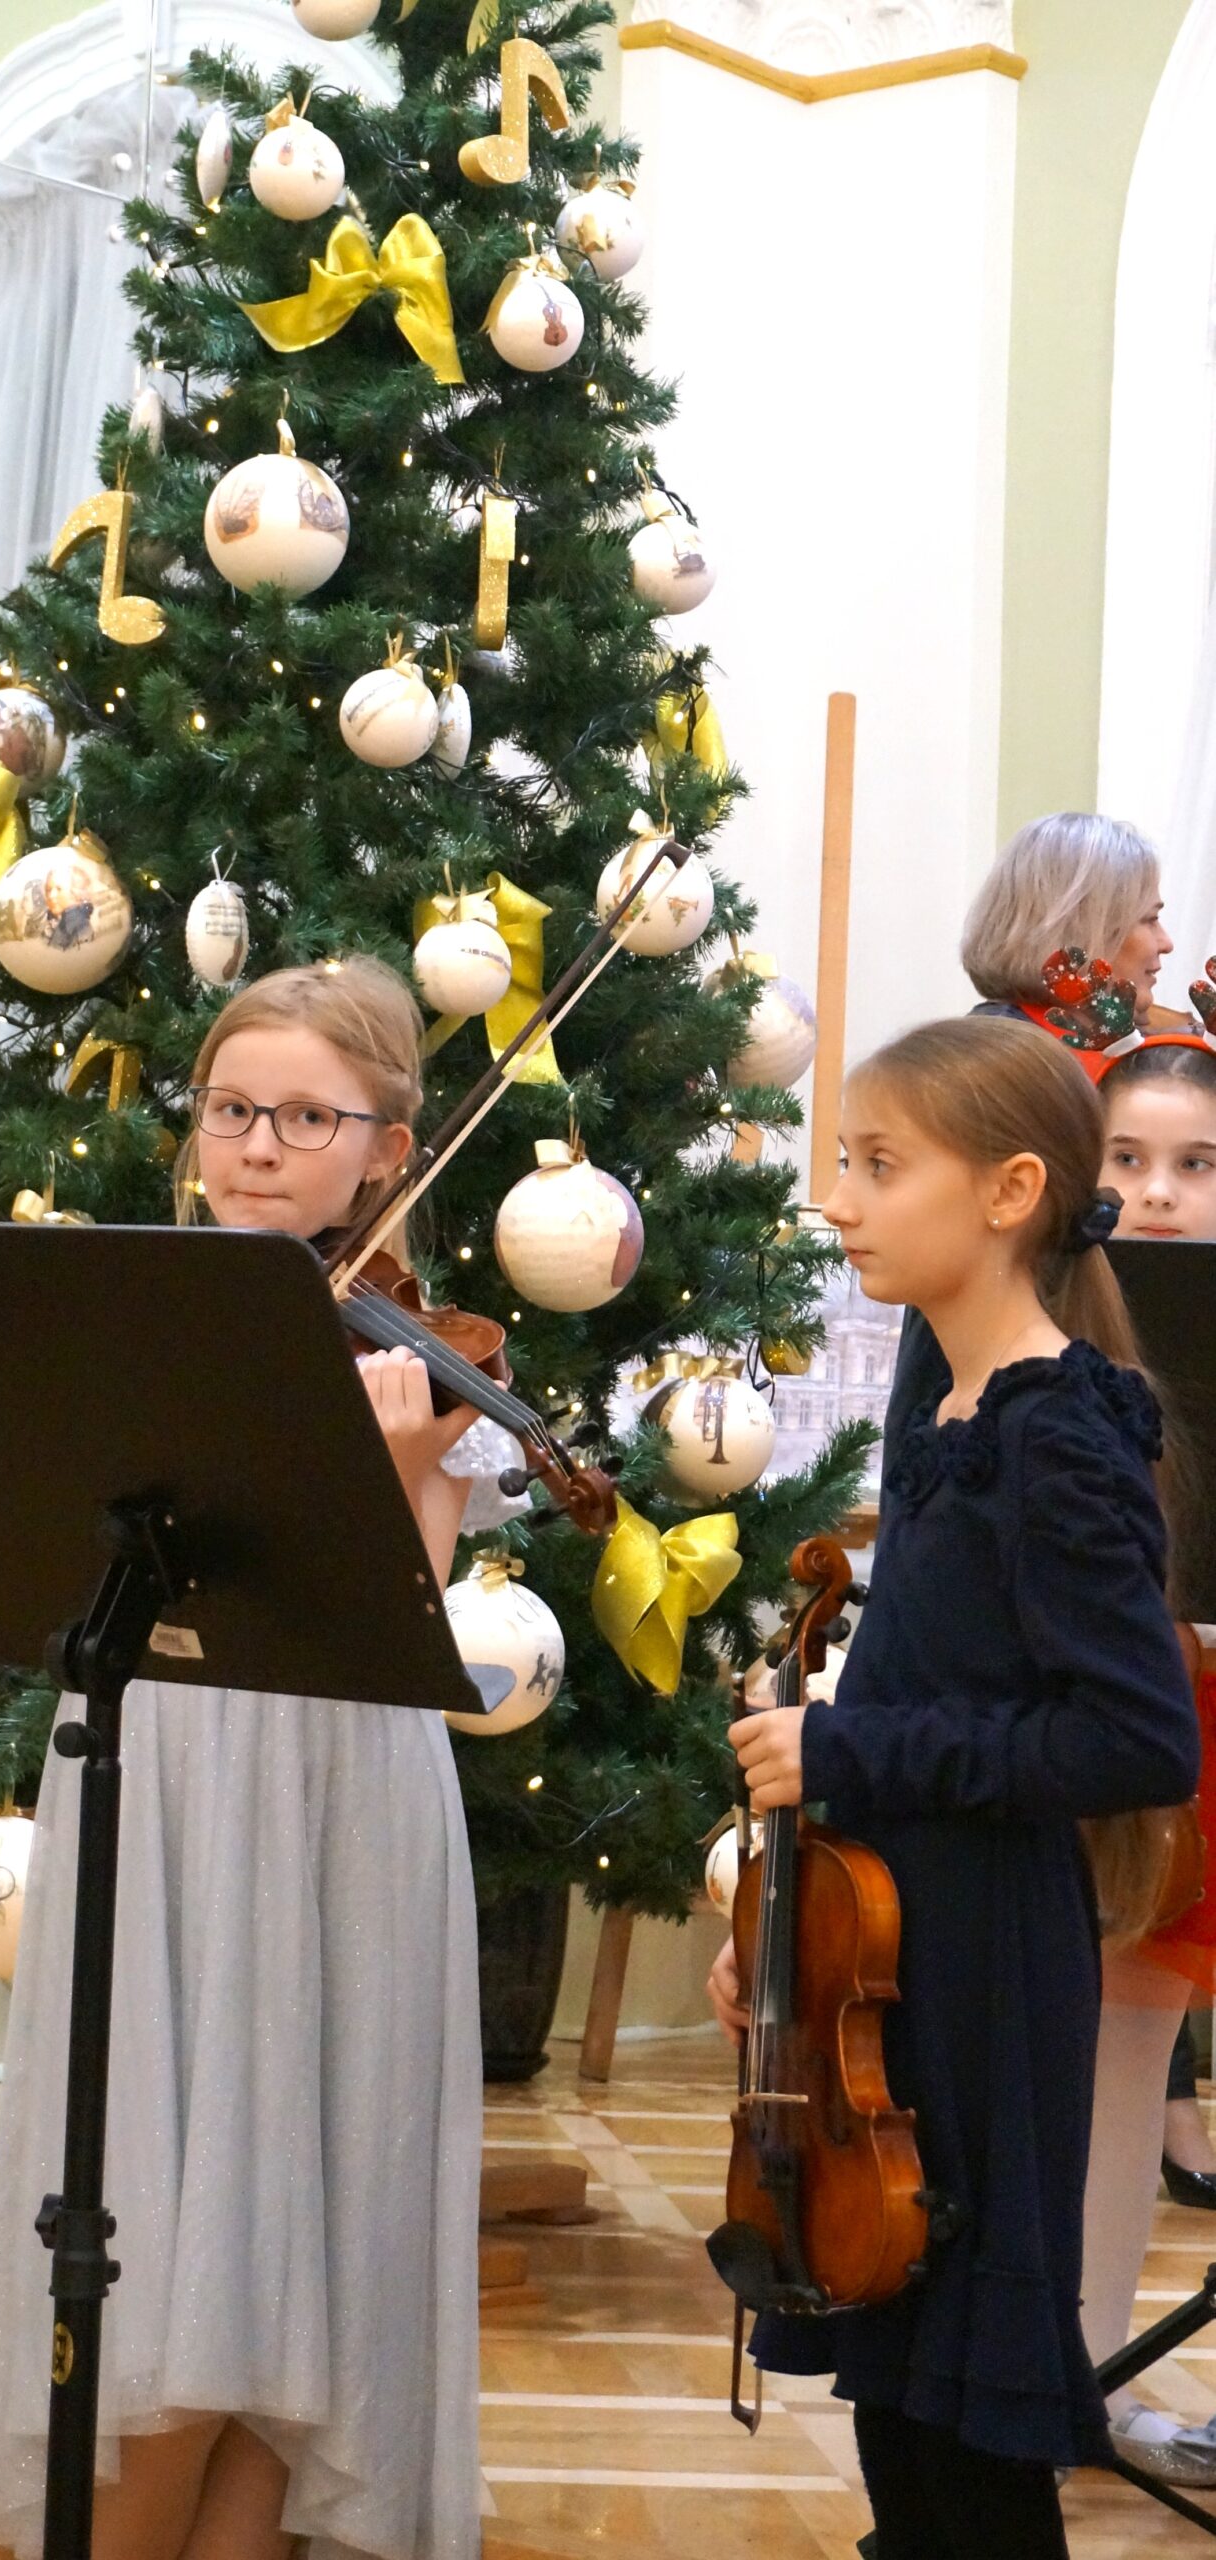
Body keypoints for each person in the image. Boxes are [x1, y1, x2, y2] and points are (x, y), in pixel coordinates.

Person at [0, 957, 492, 2560]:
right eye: (230, 1110)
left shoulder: (416, 1353)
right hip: (160, 1770)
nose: (257, 1146)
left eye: (305, 1118)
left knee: (306, 2224)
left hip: (337, 1794)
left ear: (386, 1148)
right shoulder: (140, 1320)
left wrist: (397, 1459)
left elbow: (403, 1629)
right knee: (163, 2214)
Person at [708, 1015, 1199, 2560]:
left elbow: (1134, 1741)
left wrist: (847, 1750)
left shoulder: (1054, 1432)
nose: (837, 1199)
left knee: (964, 2435)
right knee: (896, 2397)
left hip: (989, 1966)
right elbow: (937, 1689)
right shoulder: (946, 1411)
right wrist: (779, 1938)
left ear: (1004, 1193)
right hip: (897, 1950)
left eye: (873, 1164)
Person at [1079, 1030, 1216, 2484]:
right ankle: (1084, 2374)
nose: (1156, 1195)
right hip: (1141, 1712)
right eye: (1124, 1163)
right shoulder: (1059, 1334)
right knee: (1121, 2043)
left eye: (1191, 1166)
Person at [881, 812, 1170, 1460]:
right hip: (1001, 1444)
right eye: (1148, 918)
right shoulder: (1009, 1074)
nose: (1166, 943)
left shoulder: (1028, 1051)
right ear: (1084, 926)